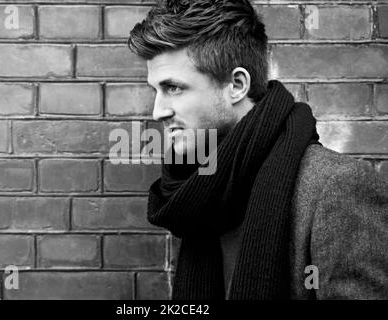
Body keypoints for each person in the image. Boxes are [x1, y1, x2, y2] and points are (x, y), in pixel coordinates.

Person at [128, 0, 388, 299]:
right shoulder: (197, 196)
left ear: (237, 85)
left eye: (173, 88)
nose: (157, 111)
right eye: (155, 90)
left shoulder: (337, 187)